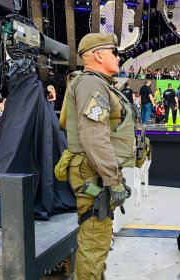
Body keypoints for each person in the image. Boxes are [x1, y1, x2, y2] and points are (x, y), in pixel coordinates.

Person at [64, 33, 128, 279]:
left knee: (98, 238)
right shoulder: (92, 84)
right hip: (95, 172)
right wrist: (113, 179)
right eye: (114, 51)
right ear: (99, 55)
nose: (118, 57)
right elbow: (94, 135)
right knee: (94, 240)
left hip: (96, 170)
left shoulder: (96, 83)